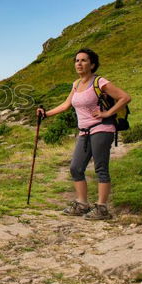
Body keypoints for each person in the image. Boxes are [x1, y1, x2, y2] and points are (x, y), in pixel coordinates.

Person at [36, 48, 131, 220]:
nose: (79, 63)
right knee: (75, 168)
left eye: (84, 60)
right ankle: (82, 204)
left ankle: (102, 208)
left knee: (101, 168)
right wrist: (46, 114)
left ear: (92, 64)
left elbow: (125, 97)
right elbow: (66, 105)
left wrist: (108, 114)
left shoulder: (100, 82)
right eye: (77, 61)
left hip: (102, 128)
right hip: (84, 131)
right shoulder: (76, 84)